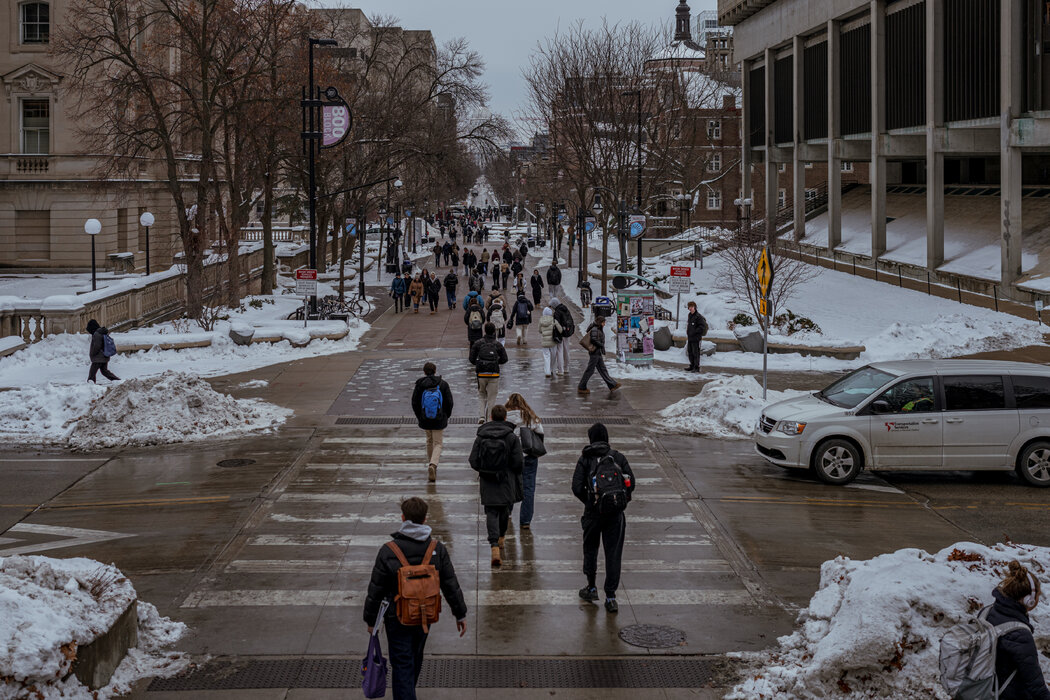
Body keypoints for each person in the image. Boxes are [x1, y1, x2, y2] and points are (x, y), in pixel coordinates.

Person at [363, 497, 468, 700]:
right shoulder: (437, 549)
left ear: (403, 518)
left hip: (397, 618)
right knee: (414, 658)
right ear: (425, 519)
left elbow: (376, 589)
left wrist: (371, 620)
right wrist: (460, 613)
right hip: (425, 616)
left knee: (402, 664)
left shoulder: (388, 551)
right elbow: (450, 584)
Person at [571, 422, 636, 613]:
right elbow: (631, 482)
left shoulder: (585, 459)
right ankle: (610, 597)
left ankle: (591, 587)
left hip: (593, 514)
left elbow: (576, 487)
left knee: (590, 549)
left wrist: (591, 501)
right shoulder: (617, 457)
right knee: (613, 554)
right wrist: (620, 501)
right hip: (615, 514)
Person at [468, 404, 523, 567]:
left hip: (487, 480)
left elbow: (473, 460)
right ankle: (501, 538)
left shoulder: (481, 436)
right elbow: (519, 462)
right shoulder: (511, 437)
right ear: (506, 418)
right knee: (504, 510)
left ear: (491, 417)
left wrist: (484, 470)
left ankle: (494, 547)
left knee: (491, 512)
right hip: (506, 480)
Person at [985, 561, 1050, 700]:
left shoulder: (988, 611)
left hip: (986, 685)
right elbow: (1036, 686)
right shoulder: (1019, 633)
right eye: (1038, 594)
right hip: (1006, 693)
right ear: (1029, 600)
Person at [505, 393, 544, 530]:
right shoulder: (528, 416)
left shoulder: (505, 416)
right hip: (528, 456)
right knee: (528, 488)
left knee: (510, 485)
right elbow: (540, 431)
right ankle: (525, 520)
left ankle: (508, 512)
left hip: (510, 457)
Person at [411, 362, 454, 482]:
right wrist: (446, 415)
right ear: (435, 370)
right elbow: (449, 402)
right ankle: (433, 464)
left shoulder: (420, 384)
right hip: (439, 418)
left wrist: (419, 416)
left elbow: (414, 402)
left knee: (429, 440)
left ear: (424, 372)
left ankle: (431, 463)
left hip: (425, 418)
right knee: (438, 443)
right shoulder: (443, 384)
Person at [469, 322, 508, 423]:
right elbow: (505, 359)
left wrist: (479, 363)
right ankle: (490, 419)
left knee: (481, 394)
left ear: (484, 330)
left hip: (481, 373)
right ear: (494, 331)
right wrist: (495, 362)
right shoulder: (497, 344)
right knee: (492, 397)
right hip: (494, 374)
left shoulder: (478, 343)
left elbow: (471, 359)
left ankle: (481, 416)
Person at [578, 315, 621, 394]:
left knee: (603, 369)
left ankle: (612, 385)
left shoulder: (598, 329)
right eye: (604, 322)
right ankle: (581, 387)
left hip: (597, 353)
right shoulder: (595, 329)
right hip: (595, 353)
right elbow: (594, 339)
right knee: (590, 370)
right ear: (600, 323)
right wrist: (601, 345)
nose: (604, 324)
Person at [551, 297, 575, 376]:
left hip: (560, 333)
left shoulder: (557, 312)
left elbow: (556, 324)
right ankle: (566, 368)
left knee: (559, 351)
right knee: (566, 350)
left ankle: (560, 370)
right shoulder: (566, 309)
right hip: (568, 333)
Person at [685, 301, 709, 372]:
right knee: (690, 352)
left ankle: (696, 367)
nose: (690, 308)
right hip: (690, 337)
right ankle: (692, 365)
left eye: (692, 307)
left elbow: (702, 326)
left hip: (696, 338)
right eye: (689, 307)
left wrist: (695, 331)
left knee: (696, 353)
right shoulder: (689, 315)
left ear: (695, 307)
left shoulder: (698, 316)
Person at [539, 306, 557, 377]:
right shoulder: (553, 320)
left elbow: (539, 330)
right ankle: (552, 369)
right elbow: (559, 329)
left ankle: (547, 371)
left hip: (545, 341)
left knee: (546, 356)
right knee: (553, 355)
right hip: (553, 341)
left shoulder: (541, 320)